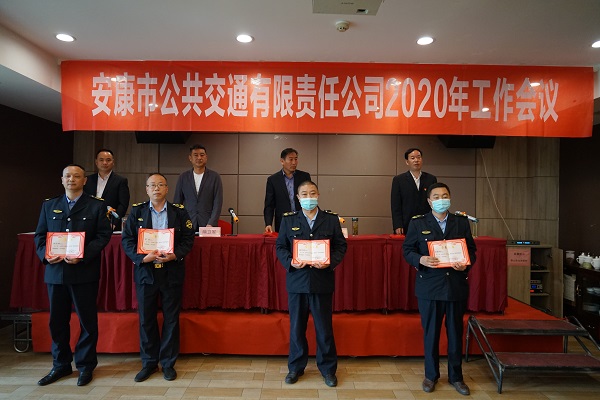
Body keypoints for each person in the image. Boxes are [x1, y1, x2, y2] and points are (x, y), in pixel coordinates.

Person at [34, 164, 112, 387]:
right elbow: (40, 236)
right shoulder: (49, 205)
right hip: (56, 273)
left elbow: (103, 236)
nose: (72, 179)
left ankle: (85, 366)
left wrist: (83, 254)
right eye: (67, 176)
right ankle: (60, 365)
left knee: (87, 321)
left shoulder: (97, 206)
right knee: (57, 322)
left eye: (77, 176)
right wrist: (46, 255)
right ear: (62, 179)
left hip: (84, 272)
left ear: (84, 180)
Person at [402, 182, 477, 396]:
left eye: (445, 196)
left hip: (455, 286)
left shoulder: (460, 222)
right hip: (429, 287)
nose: (441, 200)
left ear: (450, 198)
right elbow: (407, 250)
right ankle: (431, 376)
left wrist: (466, 263)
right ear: (429, 201)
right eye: (436, 197)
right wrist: (421, 259)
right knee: (431, 334)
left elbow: (471, 250)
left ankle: (456, 377)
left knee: (455, 333)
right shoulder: (418, 223)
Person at [121, 173, 195, 382]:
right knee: (146, 319)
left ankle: (168, 363)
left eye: (160, 184)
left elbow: (188, 239)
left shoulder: (179, 212)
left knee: (171, 319)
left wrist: (175, 255)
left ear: (167, 188)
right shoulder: (137, 211)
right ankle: (149, 363)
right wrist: (141, 258)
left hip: (171, 271)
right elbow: (127, 240)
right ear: (146, 189)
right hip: (146, 272)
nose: (156, 188)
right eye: (152, 185)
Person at [276, 180, 347, 387]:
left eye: (312, 193)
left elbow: (341, 246)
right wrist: (290, 262)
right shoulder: (289, 220)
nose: (309, 197)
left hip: (321, 281)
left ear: (318, 195)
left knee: (324, 329)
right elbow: (280, 246)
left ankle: (328, 370)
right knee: (296, 328)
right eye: (304, 194)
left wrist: (329, 262)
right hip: (297, 282)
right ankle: (295, 368)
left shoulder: (331, 220)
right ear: (298, 198)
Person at [173, 144, 223, 230]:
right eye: (195, 155)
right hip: (188, 222)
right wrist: (180, 222)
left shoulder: (215, 177)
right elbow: (177, 203)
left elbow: (218, 203)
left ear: (206, 157)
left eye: (202, 155)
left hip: (207, 223)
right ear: (190, 158)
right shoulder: (183, 177)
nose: (199, 158)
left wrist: (211, 223)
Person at [264, 148, 311, 233]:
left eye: (296, 159)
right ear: (282, 161)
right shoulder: (273, 180)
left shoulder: (304, 177)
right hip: (283, 221)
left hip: (303, 220)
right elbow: (269, 205)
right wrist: (268, 223)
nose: (294, 162)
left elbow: (310, 199)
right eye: (291, 159)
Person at [391, 148, 437, 234]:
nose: (416, 160)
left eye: (419, 157)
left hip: (427, 222)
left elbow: (434, 202)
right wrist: (397, 224)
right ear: (407, 162)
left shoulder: (431, 179)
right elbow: (395, 205)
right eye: (412, 158)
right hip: (406, 223)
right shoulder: (399, 180)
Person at [83, 148, 130, 230]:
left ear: (113, 162)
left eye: (108, 160)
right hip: (89, 221)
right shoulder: (87, 180)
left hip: (110, 222)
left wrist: (114, 222)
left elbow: (123, 204)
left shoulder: (120, 181)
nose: (105, 163)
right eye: (101, 160)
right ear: (96, 162)